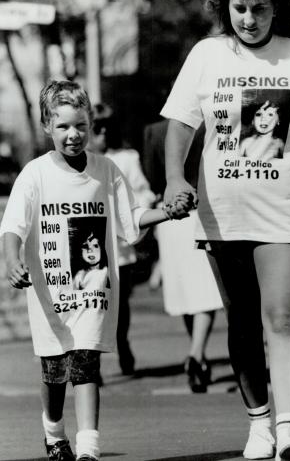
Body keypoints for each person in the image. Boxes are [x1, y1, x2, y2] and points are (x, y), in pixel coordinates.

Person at [162, 0, 290, 461]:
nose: (249, 19)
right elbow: (182, 124)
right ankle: (259, 424)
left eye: (258, 8)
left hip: (285, 209)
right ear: (226, 5)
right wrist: (173, 179)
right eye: (239, 7)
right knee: (240, 321)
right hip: (223, 210)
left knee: (281, 316)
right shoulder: (206, 56)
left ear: (276, 8)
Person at [0, 80, 190, 461]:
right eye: (64, 127)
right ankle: (54, 432)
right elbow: (13, 226)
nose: (74, 135)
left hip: (93, 287)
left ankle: (89, 447)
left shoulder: (107, 170)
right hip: (50, 292)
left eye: (81, 126)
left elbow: (130, 219)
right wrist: (11, 259)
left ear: (90, 125)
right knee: (54, 372)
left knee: (86, 363)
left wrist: (166, 213)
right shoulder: (34, 174)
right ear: (47, 127)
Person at [143, 119, 223, 393]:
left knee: (187, 292)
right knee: (206, 292)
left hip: (170, 214)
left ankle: (196, 352)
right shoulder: (208, 126)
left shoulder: (154, 132)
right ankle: (197, 353)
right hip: (201, 211)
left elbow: (152, 176)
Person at [88, 103, 156, 375]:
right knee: (92, 303)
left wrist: (135, 218)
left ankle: (122, 340)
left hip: (119, 246)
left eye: (106, 129)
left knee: (119, 304)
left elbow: (143, 192)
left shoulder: (126, 158)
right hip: (89, 246)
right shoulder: (80, 160)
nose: (101, 134)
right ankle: (93, 360)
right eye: (96, 129)